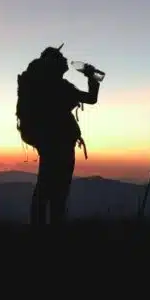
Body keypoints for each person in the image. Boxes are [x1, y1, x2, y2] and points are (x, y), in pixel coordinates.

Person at [17, 45, 100, 227]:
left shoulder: (40, 84)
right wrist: (92, 77)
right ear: (53, 63)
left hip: (47, 140)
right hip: (60, 141)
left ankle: (39, 228)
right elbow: (91, 98)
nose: (65, 61)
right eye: (61, 58)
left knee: (45, 184)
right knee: (59, 187)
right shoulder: (59, 86)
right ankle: (55, 228)